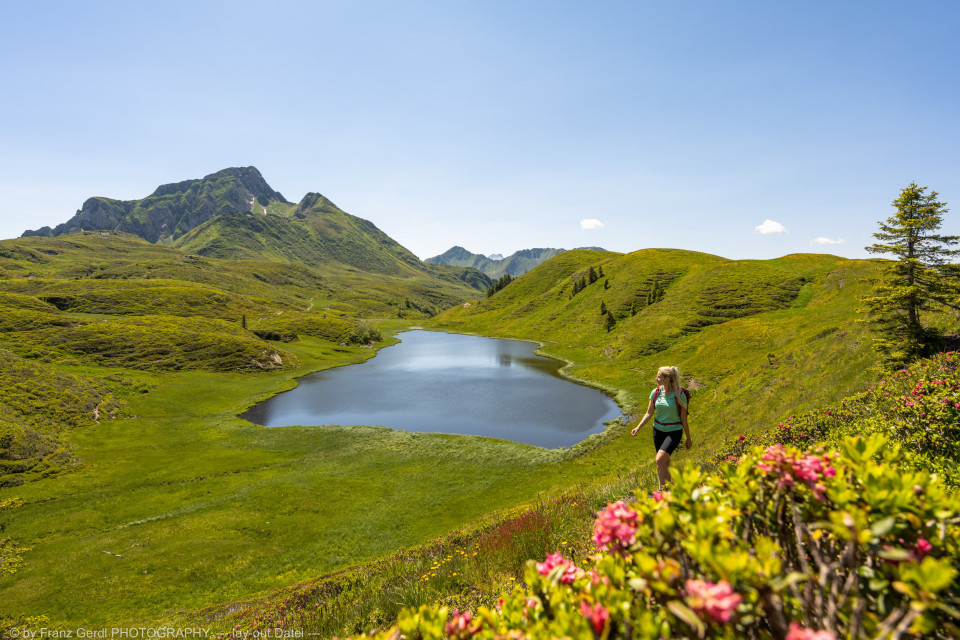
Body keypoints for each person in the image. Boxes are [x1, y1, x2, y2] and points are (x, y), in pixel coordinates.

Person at [630, 366, 692, 491]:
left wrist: (688, 438)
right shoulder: (655, 392)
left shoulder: (679, 395)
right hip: (658, 431)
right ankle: (669, 489)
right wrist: (638, 427)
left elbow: (684, 419)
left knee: (659, 459)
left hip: (674, 431)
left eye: (659, 376)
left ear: (668, 379)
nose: (656, 379)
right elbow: (649, 413)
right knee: (664, 462)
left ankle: (661, 491)